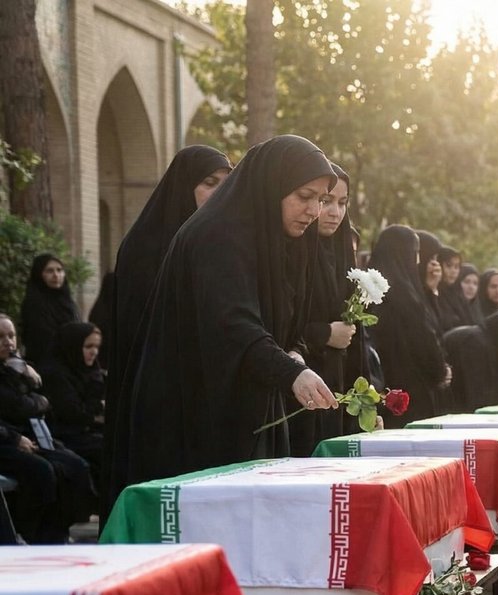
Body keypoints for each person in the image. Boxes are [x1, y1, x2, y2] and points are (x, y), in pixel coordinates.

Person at [123, 135, 339, 486]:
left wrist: (293, 354)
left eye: (321, 199)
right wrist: (289, 372)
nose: (314, 211)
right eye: (304, 197)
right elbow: (232, 323)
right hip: (195, 414)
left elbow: (281, 322)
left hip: (243, 408)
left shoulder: (271, 239)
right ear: (273, 186)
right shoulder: (218, 236)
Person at [94, 145, 231, 511]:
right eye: (209, 183)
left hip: (199, 393)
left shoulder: (214, 245)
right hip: (154, 394)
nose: (220, 193)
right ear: (184, 186)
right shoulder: (145, 246)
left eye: (226, 184)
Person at [0, 314, 94, 542]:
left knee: (75, 466)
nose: (8, 342)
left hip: (27, 435)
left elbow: (42, 402)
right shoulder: (12, 372)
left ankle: (56, 532)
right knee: (42, 471)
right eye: (0, 337)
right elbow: (18, 405)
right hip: (6, 440)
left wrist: (23, 373)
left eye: (11, 335)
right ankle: (28, 532)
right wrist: (14, 438)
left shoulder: (16, 368)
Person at [290, 163, 362, 455]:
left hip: (337, 386)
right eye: (325, 201)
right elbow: (276, 327)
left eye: (342, 203)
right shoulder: (290, 255)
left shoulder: (342, 257)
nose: (334, 212)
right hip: (298, 388)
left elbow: (357, 339)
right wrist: (324, 334)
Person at [369, 225, 451, 423]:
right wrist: (441, 371)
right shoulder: (407, 297)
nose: (418, 261)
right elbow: (425, 342)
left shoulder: (367, 289)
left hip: (379, 395)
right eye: (415, 253)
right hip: (411, 397)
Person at [38, 321, 105, 472]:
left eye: (97, 347)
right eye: (88, 347)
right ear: (73, 346)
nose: (94, 352)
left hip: (86, 432)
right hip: (64, 435)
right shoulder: (54, 373)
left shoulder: (90, 371)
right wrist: (99, 406)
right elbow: (74, 413)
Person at [20, 254, 79, 366]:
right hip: (46, 366)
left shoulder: (68, 302)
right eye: (49, 271)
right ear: (39, 274)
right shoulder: (34, 304)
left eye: (59, 270)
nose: (56, 275)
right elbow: (41, 339)